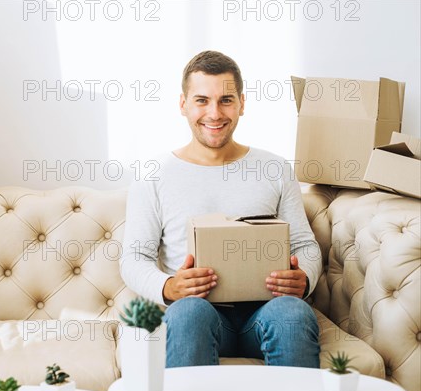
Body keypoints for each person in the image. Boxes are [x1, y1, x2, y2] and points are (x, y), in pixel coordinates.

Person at [120, 50, 321, 368]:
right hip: (199, 310)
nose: (214, 113)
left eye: (226, 100)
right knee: (187, 312)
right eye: (202, 100)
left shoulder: (274, 168)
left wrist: (305, 278)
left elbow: (305, 246)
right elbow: (133, 259)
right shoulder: (153, 176)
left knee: (294, 312)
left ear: (242, 103)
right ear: (183, 104)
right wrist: (168, 286)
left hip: (265, 310)